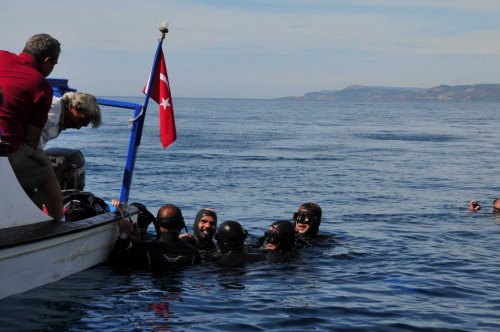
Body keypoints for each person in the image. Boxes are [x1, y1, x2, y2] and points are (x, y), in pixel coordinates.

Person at [0, 33, 63, 220]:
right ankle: (60, 225)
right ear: (47, 61)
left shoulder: (1, 55)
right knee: (43, 168)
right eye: (54, 64)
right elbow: (31, 139)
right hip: (5, 149)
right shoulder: (42, 86)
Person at [109, 203, 201, 271]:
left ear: (157, 223)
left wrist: (123, 235)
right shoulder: (194, 253)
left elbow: (115, 263)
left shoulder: (143, 250)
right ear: (181, 225)